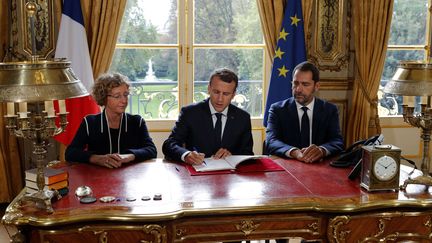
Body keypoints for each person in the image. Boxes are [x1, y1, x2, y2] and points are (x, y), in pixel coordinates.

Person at [162, 68, 253, 164]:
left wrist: (232, 156)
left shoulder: (243, 118)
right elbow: (169, 145)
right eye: (216, 92)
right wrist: (186, 155)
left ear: (233, 95)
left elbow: (247, 154)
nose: (220, 99)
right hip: (197, 174)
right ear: (209, 89)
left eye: (226, 94)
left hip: (229, 176)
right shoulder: (190, 113)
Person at [65, 73, 157, 168]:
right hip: (98, 178)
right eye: (117, 96)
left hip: (130, 177)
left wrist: (129, 156)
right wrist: (97, 159)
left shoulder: (137, 122)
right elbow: (70, 153)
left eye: (125, 95)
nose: (124, 100)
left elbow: (151, 150)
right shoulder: (90, 122)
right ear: (104, 98)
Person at [265, 61, 344, 163]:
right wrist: (295, 152)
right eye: (295, 83)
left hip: (319, 169)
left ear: (316, 86)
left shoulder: (329, 110)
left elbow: (337, 141)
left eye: (305, 84)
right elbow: (271, 141)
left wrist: (321, 150)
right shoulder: (277, 110)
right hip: (288, 168)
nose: (298, 89)